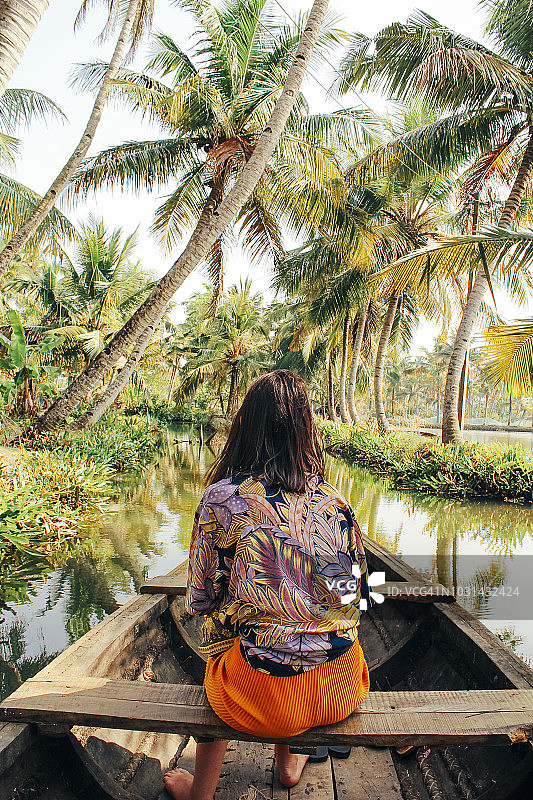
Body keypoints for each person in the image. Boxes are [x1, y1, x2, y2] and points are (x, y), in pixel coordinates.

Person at [163, 370, 371, 800]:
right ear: (305, 432)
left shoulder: (222, 500)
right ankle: (287, 764)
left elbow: (200, 599)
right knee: (291, 622)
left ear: (246, 427)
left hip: (260, 696)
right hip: (341, 686)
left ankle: (199, 794)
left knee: (220, 635)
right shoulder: (335, 502)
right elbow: (357, 597)